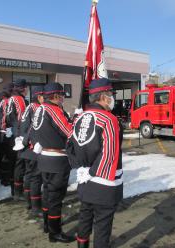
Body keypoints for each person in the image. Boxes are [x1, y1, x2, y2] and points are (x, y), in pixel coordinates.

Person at [67, 78, 123, 248]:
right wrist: (91, 172)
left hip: (85, 181)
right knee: (102, 226)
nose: (113, 98)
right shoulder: (109, 119)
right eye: (111, 94)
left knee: (85, 219)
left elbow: (69, 146)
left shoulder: (79, 118)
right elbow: (109, 154)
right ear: (104, 97)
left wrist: (80, 167)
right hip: (104, 183)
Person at [32, 82, 75, 243]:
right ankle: (55, 233)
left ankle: (47, 224)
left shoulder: (40, 108)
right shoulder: (53, 109)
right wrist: (75, 120)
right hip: (56, 159)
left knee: (48, 193)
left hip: (44, 157)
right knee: (56, 197)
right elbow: (68, 131)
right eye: (62, 95)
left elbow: (33, 131)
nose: (63, 98)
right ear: (56, 96)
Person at [14, 85, 44, 216]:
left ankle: (28, 202)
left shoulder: (29, 107)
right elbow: (34, 128)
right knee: (35, 177)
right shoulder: (37, 108)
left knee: (29, 175)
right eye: (45, 96)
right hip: (32, 146)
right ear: (39, 96)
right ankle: (36, 206)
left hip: (24, 146)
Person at [6, 79, 28, 199]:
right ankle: (18, 191)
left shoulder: (11, 98)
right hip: (19, 134)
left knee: (16, 162)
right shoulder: (19, 99)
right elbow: (22, 118)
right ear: (23, 88)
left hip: (13, 132)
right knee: (20, 163)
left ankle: (16, 190)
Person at [0, 84, 14, 188]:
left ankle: (0, 176)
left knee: (0, 156)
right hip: (7, 134)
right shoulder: (9, 102)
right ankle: (7, 179)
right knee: (8, 158)